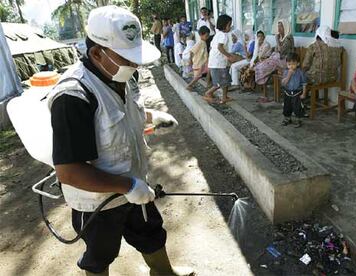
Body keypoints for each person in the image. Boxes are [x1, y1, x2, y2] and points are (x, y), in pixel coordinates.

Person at [48, 6, 193, 276]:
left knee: (151, 232)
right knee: (100, 254)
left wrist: (151, 116)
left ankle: (163, 273)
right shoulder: (73, 96)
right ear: (96, 53)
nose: (135, 65)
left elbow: (126, 113)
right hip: (97, 202)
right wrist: (127, 185)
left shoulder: (122, 75)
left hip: (135, 184)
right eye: (127, 58)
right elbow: (69, 171)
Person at [203, 14, 237, 104]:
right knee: (220, 82)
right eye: (229, 25)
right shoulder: (223, 35)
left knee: (225, 80)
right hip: (218, 63)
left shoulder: (218, 34)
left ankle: (224, 97)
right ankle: (208, 93)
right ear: (224, 25)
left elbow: (213, 47)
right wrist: (229, 56)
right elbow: (219, 47)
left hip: (217, 62)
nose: (230, 27)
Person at [255, 20, 294, 88]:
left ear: (286, 27)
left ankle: (265, 82)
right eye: (278, 26)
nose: (279, 29)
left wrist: (277, 40)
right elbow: (277, 50)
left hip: (288, 61)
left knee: (266, 65)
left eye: (281, 26)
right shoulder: (282, 37)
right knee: (263, 64)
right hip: (280, 59)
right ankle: (264, 83)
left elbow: (280, 50)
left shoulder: (288, 38)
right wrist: (277, 46)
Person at [281, 52, 307, 128]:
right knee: (287, 106)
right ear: (286, 64)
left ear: (298, 63)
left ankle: (299, 120)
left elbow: (304, 84)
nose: (291, 66)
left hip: (297, 92)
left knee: (297, 107)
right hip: (288, 92)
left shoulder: (300, 72)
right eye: (289, 64)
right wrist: (289, 74)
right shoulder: (286, 72)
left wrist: (304, 94)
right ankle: (287, 118)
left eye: (293, 64)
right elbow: (284, 83)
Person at [186, 26, 210, 90]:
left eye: (208, 36)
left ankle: (208, 84)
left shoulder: (203, 42)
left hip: (203, 62)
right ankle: (189, 85)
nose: (207, 37)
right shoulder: (199, 43)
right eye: (206, 36)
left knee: (208, 71)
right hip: (199, 62)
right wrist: (190, 60)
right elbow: (192, 51)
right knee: (197, 77)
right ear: (201, 35)